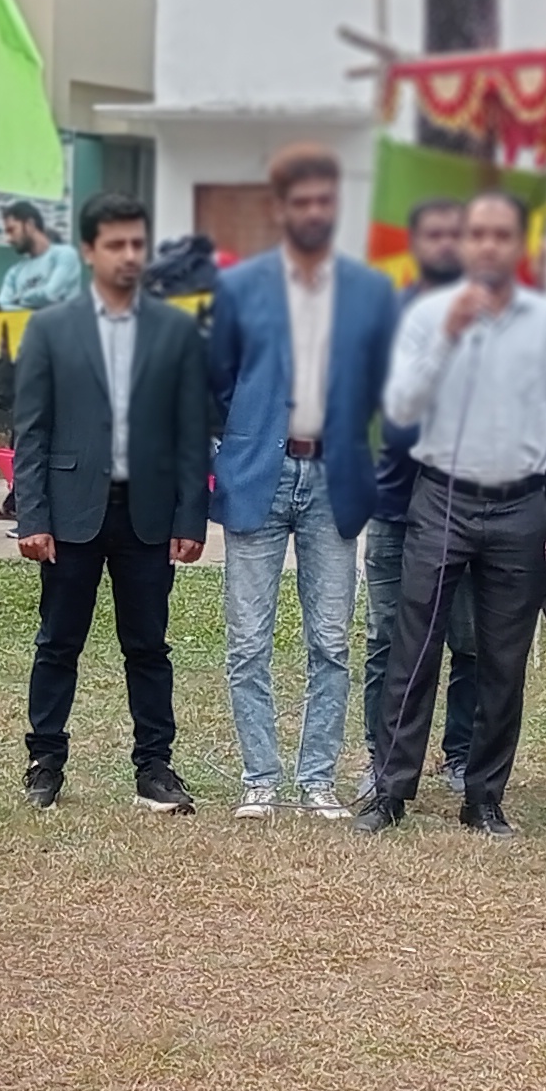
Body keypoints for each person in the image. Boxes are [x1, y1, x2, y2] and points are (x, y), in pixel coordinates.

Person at [357, 189, 546, 834]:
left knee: (502, 658)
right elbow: (402, 408)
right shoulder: (428, 313)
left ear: (517, 247)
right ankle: (391, 788)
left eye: (502, 235)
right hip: (442, 497)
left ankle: (484, 795)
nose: (488, 245)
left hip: (522, 505)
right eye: (478, 234)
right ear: (463, 243)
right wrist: (446, 337)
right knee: (415, 649)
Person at [207, 144, 398, 820]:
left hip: (334, 477)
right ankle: (260, 778)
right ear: (279, 208)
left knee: (332, 641)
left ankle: (318, 779)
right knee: (248, 639)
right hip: (259, 473)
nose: (314, 211)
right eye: (301, 201)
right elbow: (218, 382)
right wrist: (241, 445)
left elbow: (383, 388)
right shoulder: (239, 288)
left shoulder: (370, 291)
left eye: (325, 200)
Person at [11, 193, 209, 813]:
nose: (129, 256)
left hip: (148, 513)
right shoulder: (51, 327)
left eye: (137, 244)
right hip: (70, 511)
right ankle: (45, 760)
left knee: (148, 646)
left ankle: (155, 766)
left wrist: (190, 516)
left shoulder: (176, 330)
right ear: (89, 250)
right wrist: (33, 515)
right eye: (116, 244)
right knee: (58, 641)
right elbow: (32, 429)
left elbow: (189, 432)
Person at [360, 197, 480, 799]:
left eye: (454, 234)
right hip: (394, 505)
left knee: (471, 640)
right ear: (413, 243)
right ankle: (380, 757)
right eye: (432, 234)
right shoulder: (393, 315)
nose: (444, 244)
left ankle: (460, 754)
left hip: (468, 507)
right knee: (388, 637)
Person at [0, 198, 87, 312]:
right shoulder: (14, 272)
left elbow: (51, 294)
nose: (8, 239)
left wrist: (19, 299)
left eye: (11, 230)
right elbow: (1, 307)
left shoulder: (64, 255)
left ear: (30, 225)